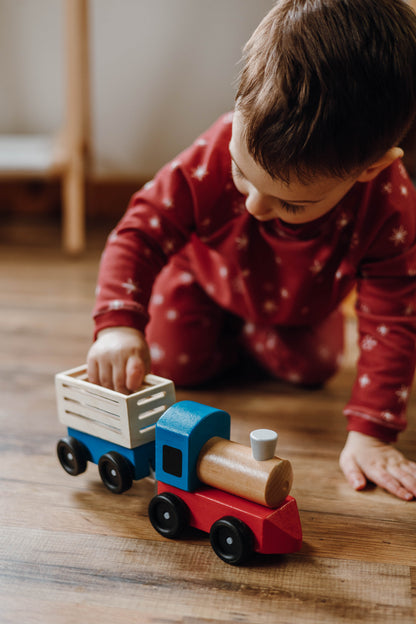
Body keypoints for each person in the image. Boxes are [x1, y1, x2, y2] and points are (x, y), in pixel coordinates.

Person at [87, 0, 416, 501]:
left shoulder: (388, 205)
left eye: (292, 203)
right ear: (240, 105)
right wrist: (118, 324)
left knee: (315, 368)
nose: (255, 205)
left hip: (294, 306)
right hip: (202, 282)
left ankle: (248, 336)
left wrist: (372, 433)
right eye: (241, 173)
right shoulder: (217, 146)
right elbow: (140, 232)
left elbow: (395, 316)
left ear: (369, 169)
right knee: (173, 361)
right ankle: (228, 335)